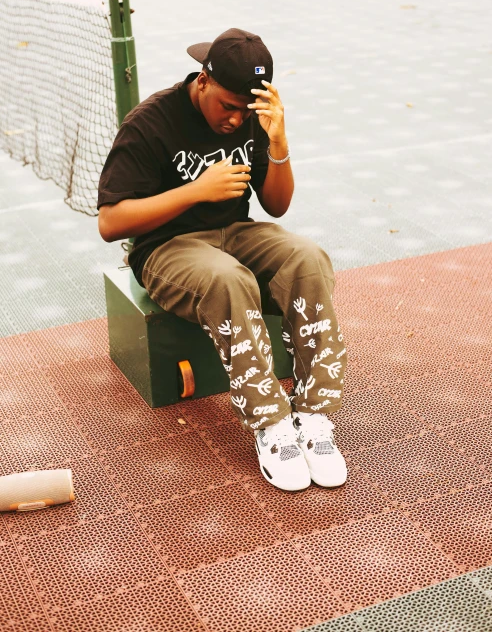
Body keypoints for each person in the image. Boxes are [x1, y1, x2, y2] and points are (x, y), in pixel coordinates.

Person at [98, 28, 348, 492]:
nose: (235, 121)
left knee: (308, 259)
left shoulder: (254, 119)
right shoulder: (150, 122)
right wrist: (196, 191)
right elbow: (111, 222)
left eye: (246, 110)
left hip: (234, 233)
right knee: (228, 279)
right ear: (203, 82)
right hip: (167, 246)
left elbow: (276, 206)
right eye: (227, 107)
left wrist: (278, 144)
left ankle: (313, 416)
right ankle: (271, 424)